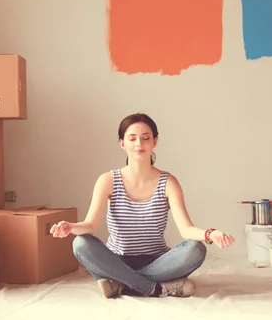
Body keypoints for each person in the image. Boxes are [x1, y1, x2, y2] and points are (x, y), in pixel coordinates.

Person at [50, 113, 235, 299]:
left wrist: (210, 234)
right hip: (116, 261)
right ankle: (156, 288)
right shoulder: (107, 180)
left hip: (158, 262)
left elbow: (186, 230)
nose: (139, 143)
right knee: (80, 243)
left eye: (145, 138)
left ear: (154, 141)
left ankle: (122, 284)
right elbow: (90, 225)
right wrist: (71, 227)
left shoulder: (168, 182)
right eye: (132, 138)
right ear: (122, 143)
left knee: (196, 249)